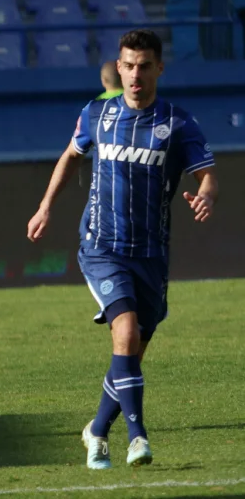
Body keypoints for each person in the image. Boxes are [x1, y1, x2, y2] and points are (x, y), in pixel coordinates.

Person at [26, 30, 218, 470]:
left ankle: (96, 431)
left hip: (151, 253)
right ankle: (137, 438)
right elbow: (71, 155)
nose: (135, 74)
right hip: (102, 245)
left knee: (129, 355)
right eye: (128, 65)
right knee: (126, 334)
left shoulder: (179, 123)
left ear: (159, 68)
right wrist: (45, 206)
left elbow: (207, 175)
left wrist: (206, 194)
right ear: (119, 65)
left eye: (144, 66)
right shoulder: (96, 114)